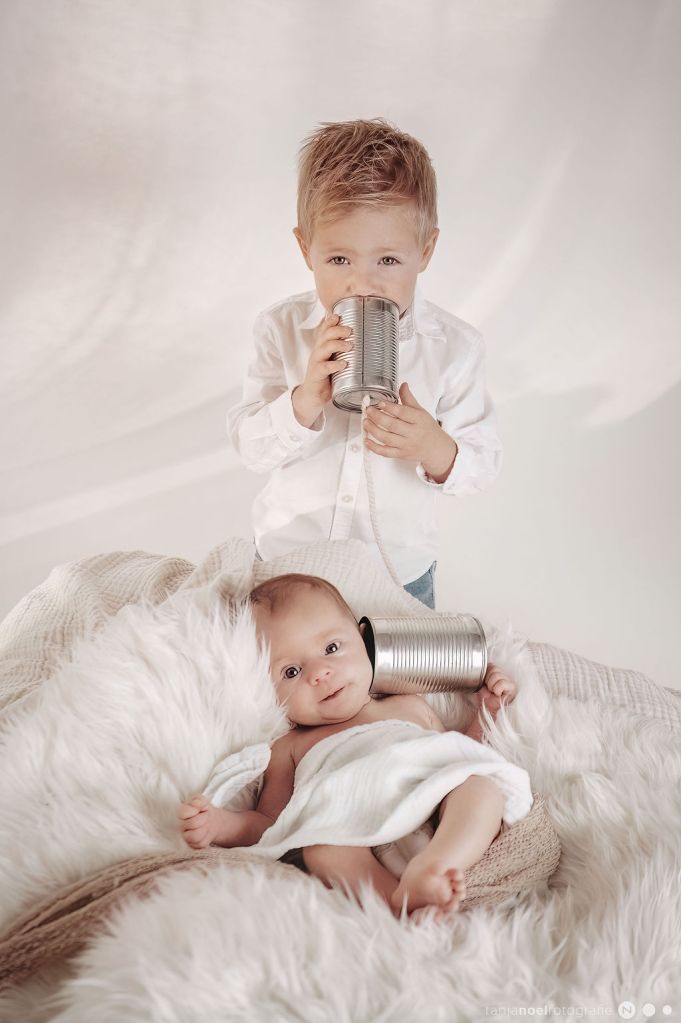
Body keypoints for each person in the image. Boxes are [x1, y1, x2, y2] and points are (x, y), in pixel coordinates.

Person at [226, 118, 502, 610]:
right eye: (339, 260)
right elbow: (250, 449)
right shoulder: (280, 328)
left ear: (425, 251)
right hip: (290, 564)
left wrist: (432, 445)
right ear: (306, 249)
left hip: (397, 572)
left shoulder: (455, 347)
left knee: (403, 660)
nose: (363, 283)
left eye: (388, 261)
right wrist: (302, 402)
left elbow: (481, 467)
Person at [178, 575, 525, 919]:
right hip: (349, 829)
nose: (320, 673)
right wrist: (221, 825)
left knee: (481, 788)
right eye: (291, 671)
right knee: (321, 850)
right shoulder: (290, 746)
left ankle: (437, 865)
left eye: (331, 649)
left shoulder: (407, 704)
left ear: (363, 640)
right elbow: (272, 822)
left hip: (430, 811)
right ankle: (394, 901)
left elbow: (458, 757)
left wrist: (487, 711)